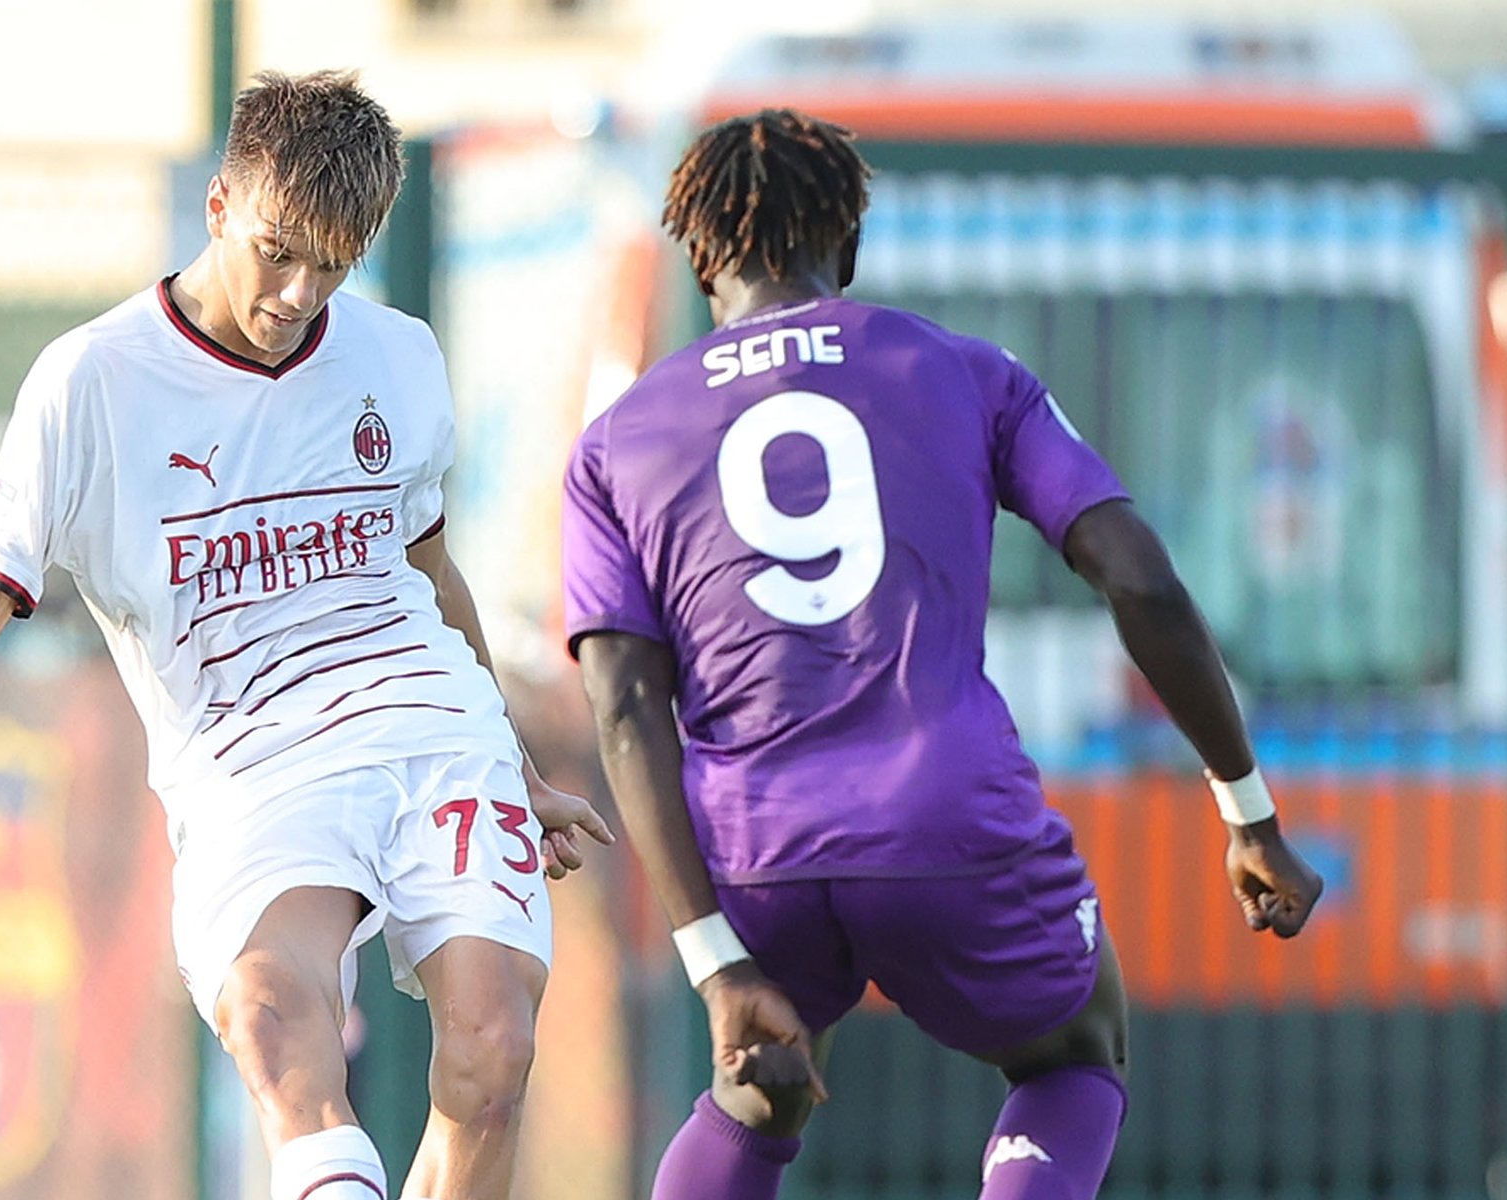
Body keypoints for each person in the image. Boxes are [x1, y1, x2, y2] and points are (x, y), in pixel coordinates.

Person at [0, 69, 613, 1200]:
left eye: (334, 266)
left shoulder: (396, 358)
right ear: (217, 204)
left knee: (492, 1056)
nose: (300, 293)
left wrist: (521, 763)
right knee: (267, 1018)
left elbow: (429, 571)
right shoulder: (91, 382)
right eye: (279, 250)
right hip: (254, 766)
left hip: (439, 734)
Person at [561, 109, 1326, 1200]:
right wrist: (1247, 811)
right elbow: (1138, 577)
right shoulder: (960, 370)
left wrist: (714, 959)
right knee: (1074, 1050)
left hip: (752, 845)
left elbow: (626, 708)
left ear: (698, 254)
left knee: (759, 1085)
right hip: (945, 814)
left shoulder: (614, 442)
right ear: (851, 247)